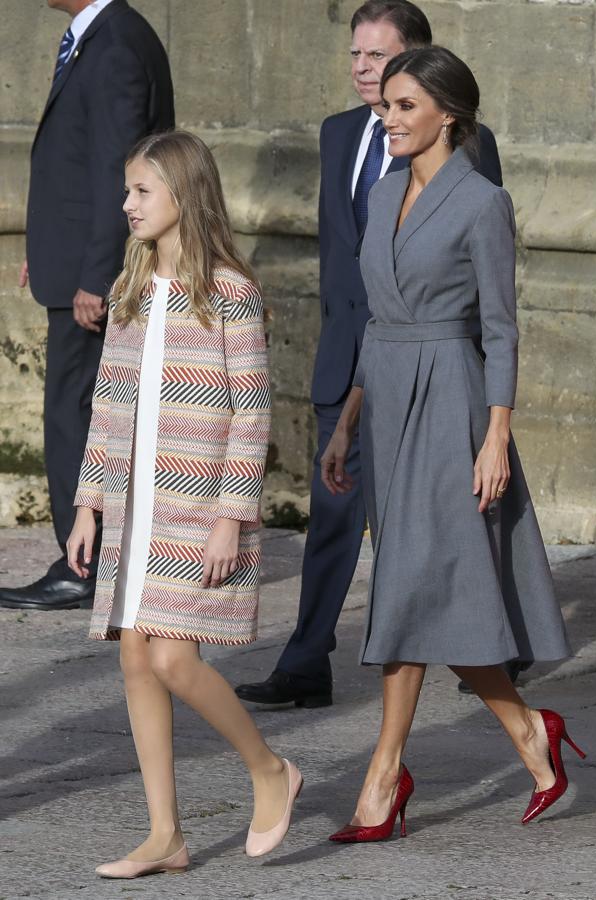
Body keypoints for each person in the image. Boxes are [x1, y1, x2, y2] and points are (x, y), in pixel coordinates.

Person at [319, 46, 585, 843]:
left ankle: (381, 779)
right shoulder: (387, 188)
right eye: (386, 105)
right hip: (390, 397)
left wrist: (496, 435)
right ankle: (533, 735)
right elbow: (377, 317)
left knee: (408, 583)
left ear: (449, 114)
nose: (388, 117)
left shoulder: (482, 202)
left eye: (404, 105)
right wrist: (347, 420)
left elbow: (501, 331)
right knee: (424, 589)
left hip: (453, 401)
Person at [235, 0, 505, 709]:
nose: (362, 69)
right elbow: (341, 257)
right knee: (331, 513)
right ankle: (305, 663)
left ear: (417, 62)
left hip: (432, 368)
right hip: (350, 365)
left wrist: (472, 384)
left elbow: (480, 273)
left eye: (378, 57)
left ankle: (497, 647)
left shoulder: (467, 148)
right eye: (355, 55)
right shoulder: (337, 135)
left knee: (442, 520)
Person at [66, 131, 302, 877]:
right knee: (136, 654)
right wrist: (87, 503)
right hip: (135, 507)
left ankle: (268, 769)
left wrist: (232, 514)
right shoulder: (131, 289)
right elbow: (107, 403)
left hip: (195, 506)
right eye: (128, 190)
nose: (126, 204)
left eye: (142, 191)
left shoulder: (229, 290)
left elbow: (251, 412)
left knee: (172, 655)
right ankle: (165, 833)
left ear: (183, 196)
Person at [0, 0, 174, 612]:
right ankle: (97, 558)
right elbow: (76, 163)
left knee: (76, 416)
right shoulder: (97, 36)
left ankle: (85, 564)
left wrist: (97, 274)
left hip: (94, 275)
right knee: (85, 413)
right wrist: (49, 250)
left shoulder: (117, 43)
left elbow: (120, 169)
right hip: (75, 261)